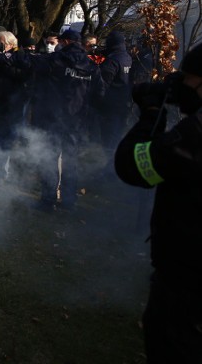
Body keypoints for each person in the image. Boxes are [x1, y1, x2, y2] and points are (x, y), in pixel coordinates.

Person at [114, 43, 202, 363]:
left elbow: (135, 166)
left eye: (190, 80)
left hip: (188, 281)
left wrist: (151, 116)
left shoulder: (197, 133)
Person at [31, 29, 101, 210]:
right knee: (71, 160)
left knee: (50, 158)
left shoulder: (56, 60)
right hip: (77, 120)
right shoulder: (91, 66)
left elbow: (36, 70)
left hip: (54, 117)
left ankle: (48, 200)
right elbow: (98, 93)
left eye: (60, 42)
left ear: (66, 42)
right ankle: (69, 200)